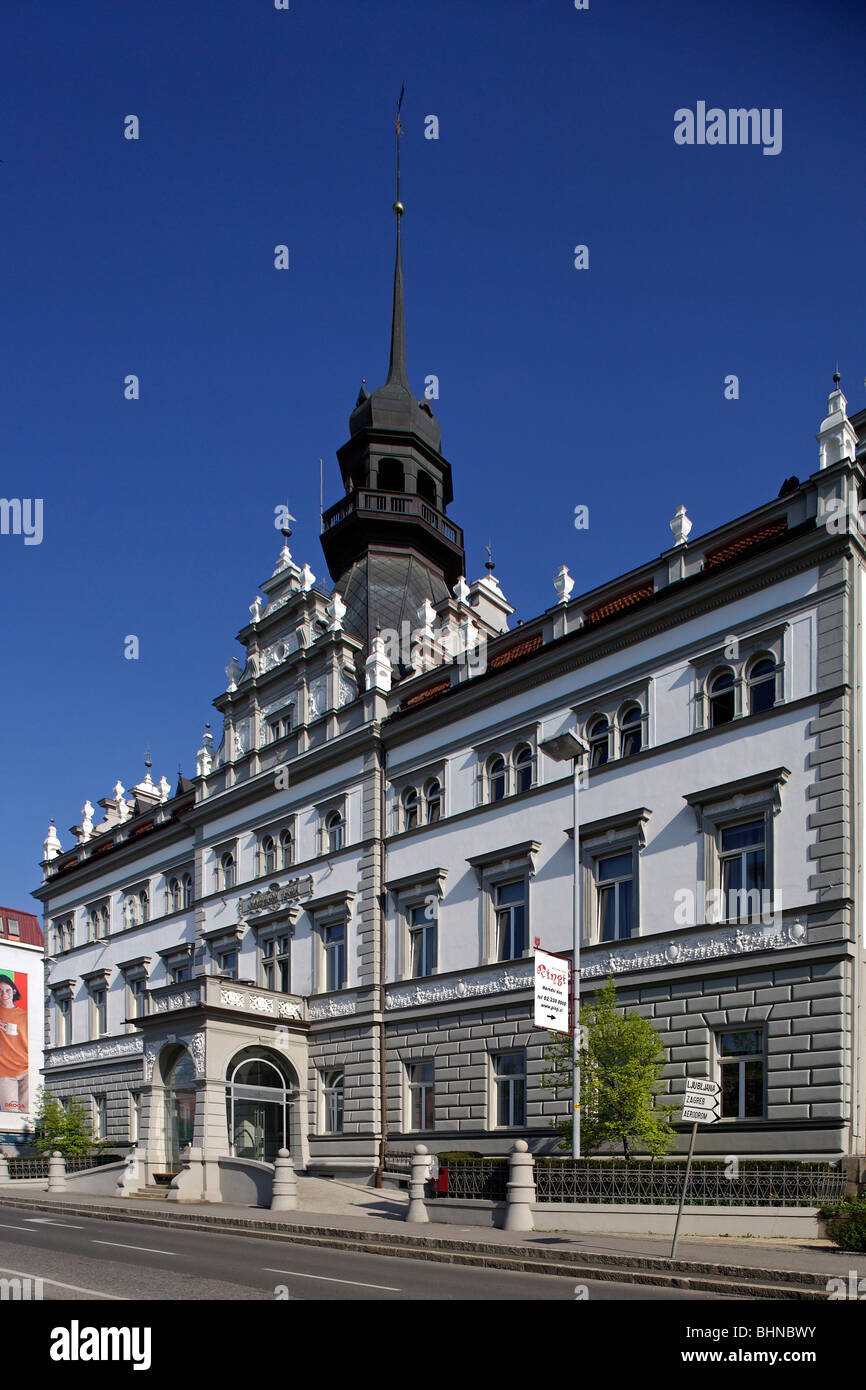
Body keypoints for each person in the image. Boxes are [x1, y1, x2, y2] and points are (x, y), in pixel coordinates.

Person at [0, 977, 28, 1114]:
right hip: (4, 1073)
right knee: (10, 1114)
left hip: (26, 1071)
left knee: (27, 1114)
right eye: (0, 991)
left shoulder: (24, 1015)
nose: (4, 994)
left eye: (7, 990)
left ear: (14, 991)